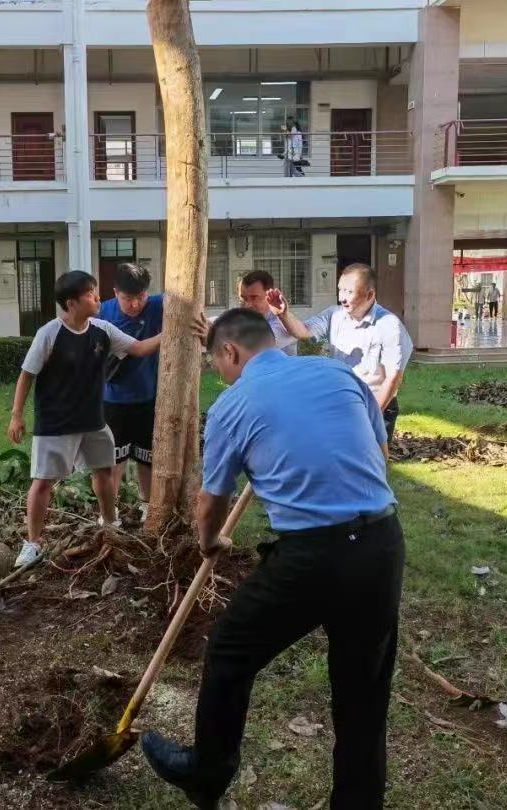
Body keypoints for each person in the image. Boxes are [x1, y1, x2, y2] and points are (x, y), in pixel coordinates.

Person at [140, 308, 404, 810]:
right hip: (381, 542)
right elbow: (379, 452)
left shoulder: (232, 405)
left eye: (216, 364)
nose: (220, 374)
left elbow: (211, 501)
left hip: (313, 556)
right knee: (363, 690)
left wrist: (209, 543)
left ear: (230, 351)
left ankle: (207, 771)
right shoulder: (336, 373)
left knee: (230, 648)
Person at [8, 271, 162, 568]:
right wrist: (16, 415)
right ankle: (33, 544)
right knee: (43, 483)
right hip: (55, 423)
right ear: (71, 303)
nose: (98, 298)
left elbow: (140, 348)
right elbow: (27, 375)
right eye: (91, 294)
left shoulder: (103, 329)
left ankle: (110, 524)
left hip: (93, 420)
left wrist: (173, 330)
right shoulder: (49, 333)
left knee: (103, 472)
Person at [270, 263, 413, 441]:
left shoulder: (389, 325)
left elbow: (393, 379)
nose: (342, 298)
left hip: (376, 403)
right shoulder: (334, 315)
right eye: (340, 290)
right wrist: (283, 315)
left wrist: (370, 417)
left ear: (370, 294)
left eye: (349, 292)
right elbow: (304, 331)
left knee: (372, 456)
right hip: (341, 400)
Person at [99, 263, 164, 515]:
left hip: (148, 398)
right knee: (114, 459)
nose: (136, 304)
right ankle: (109, 513)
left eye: (141, 296)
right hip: (112, 400)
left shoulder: (158, 305)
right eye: (128, 299)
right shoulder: (103, 312)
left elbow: (186, 302)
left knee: (147, 457)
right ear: (116, 292)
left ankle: (148, 507)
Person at [235, 270, 298, 354]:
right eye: (243, 298)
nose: (247, 305)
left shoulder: (284, 322)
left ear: (269, 295)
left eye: (254, 298)